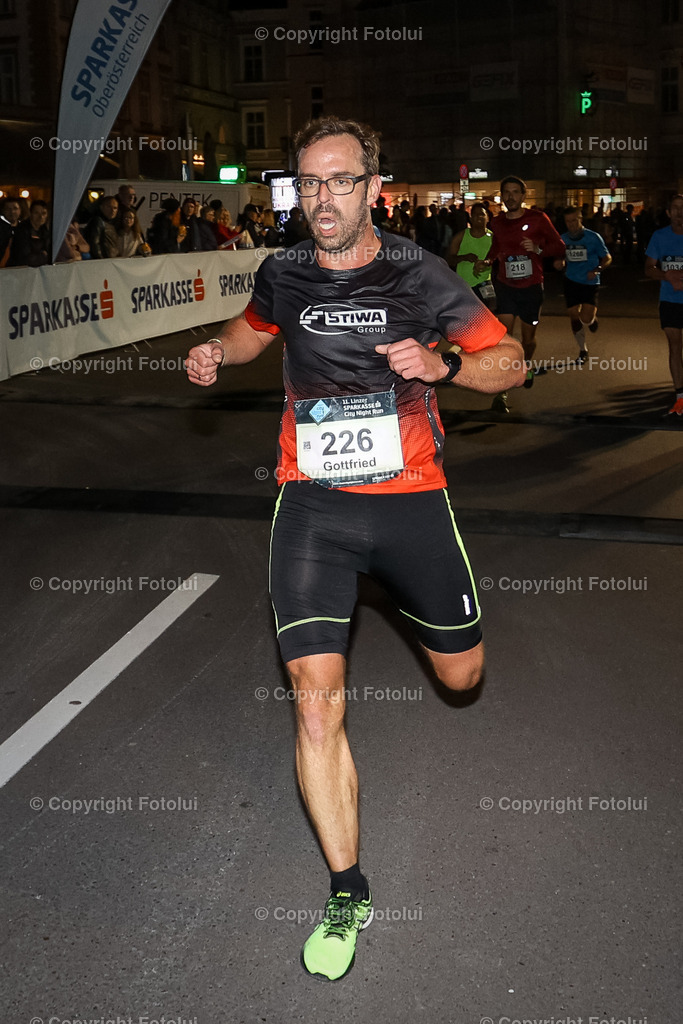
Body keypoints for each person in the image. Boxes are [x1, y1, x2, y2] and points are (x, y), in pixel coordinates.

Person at [185, 115, 525, 982]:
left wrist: (444, 367)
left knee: (461, 675)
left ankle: (404, 603)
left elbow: (509, 361)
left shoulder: (420, 272)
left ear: (375, 188)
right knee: (314, 704)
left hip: (410, 504)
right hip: (311, 507)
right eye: (308, 183)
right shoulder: (284, 270)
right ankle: (347, 888)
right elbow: (251, 333)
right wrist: (213, 353)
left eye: (340, 182)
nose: (322, 199)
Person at [478, 175, 565, 401]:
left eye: (515, 192)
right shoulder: (496, 222)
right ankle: (503, 390)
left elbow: (559, 246)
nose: (511, 197)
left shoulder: (538, 218)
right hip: (505, 286)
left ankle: (526, 363)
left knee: (527, 339)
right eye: (506, 192)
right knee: (505, 338)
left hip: (531, 286)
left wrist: (538, 249)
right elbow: (496, 246)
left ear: (523, 195)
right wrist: (488, 260)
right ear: (502, 196)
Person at [554, 206, 611, 364]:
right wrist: (559, 262)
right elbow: (560, 257)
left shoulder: (593, 237)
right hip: (571, 280)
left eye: (574, 220)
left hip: (589, 281)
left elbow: (607, 258)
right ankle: (582, 349)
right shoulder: (562, 239)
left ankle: (592, 320)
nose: (571, 224)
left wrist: (597, 269)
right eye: (568, 221)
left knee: (585, 318)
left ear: (581, 219)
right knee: (573, 315)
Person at [644, 193, 683, 416]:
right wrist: (666, 276)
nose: (679, 212)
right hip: (669, 300)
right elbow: (648, 268)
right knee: (675, 346)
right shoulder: (660, 237)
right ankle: (680, 396)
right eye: (675, 208)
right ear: (668, 213)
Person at [449, 202, 495, 309]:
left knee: (486, 317)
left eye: (482, 214)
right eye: (475, 214)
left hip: (485, 285)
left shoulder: (493, 237)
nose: (479, 217)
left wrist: (487, 263)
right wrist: (464, 257)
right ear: (470, 218)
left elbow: (498, 259)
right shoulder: (461, 236)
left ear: (487, 218)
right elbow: (449, 259)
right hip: (465, 286)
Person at [8, 199, 50, 267]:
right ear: (30, 213)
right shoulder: (22, 230)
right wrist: (43, 255)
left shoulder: (45, 230)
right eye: (36, 213)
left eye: (44, 213)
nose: (40, 217)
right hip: (19, 270)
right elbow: (26, 258)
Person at [86, 195, 119, 259]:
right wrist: (101, 261)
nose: (112, 210)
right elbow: (94, 245)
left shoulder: (111, 223)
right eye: (109, 207)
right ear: (101, 207)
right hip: (104, 263)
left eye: (115, 208)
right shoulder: (98, 221)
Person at [0, 195, 22, 267]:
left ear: (20, 210)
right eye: (8, 209)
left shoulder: (23, 228)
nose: (12, 212)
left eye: (15, 208)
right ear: (3, 211)